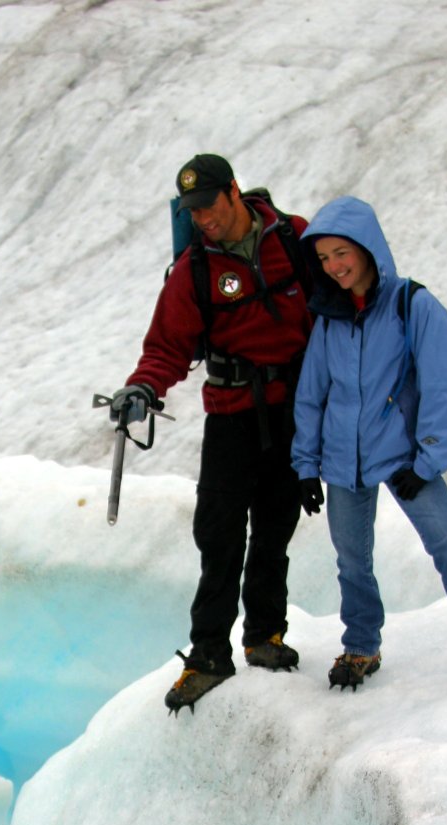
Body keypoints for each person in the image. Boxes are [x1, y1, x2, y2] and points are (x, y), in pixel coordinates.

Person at [291, 195, 447, 689]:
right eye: (323, 259)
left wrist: (427, 461)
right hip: (343, 462)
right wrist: (305, 467)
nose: (334, 267)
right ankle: (361, 647)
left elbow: (443, 387)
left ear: (367, 248)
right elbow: (312, 396)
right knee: (352, 561)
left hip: (405, 458)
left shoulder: (413, 305)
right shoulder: (330, 319)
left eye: (342, 253)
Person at [110, 154, 313, 714]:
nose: (202, 220)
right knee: (219, 535)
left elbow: (335, 310)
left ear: (234, 193)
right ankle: (207, 655)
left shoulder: (293, 238)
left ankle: (264, 637)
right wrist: (142, 390)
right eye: (192, 212)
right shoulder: (194, 270)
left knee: (275, 527)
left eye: (208, 207)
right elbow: (166, 347)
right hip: (230, 415)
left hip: (294, 411)